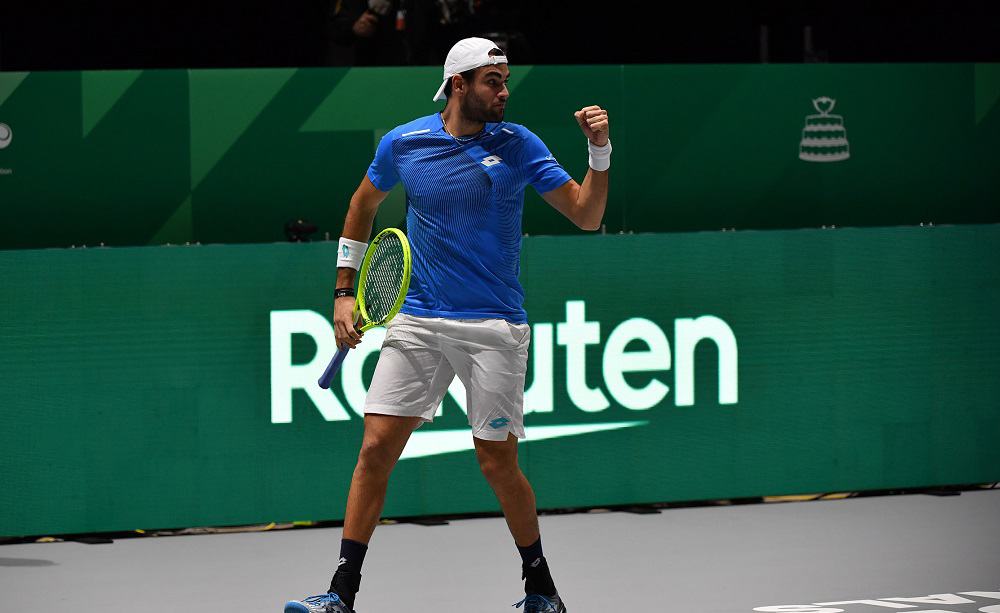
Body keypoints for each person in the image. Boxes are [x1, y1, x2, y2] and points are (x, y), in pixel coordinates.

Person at [284, 36, 611, 613]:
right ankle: (340, 594)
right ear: (459, 83)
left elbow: (586, 215)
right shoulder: (403, 142)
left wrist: (599, 151)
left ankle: (541, 588)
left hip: (494, 327)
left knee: (496, 463)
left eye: (506, 80)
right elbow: (362, 206)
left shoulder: (518, 144)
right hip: (418, 322)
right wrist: (342, 292)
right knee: (375, 449)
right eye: (493, 81)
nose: (504, 91)